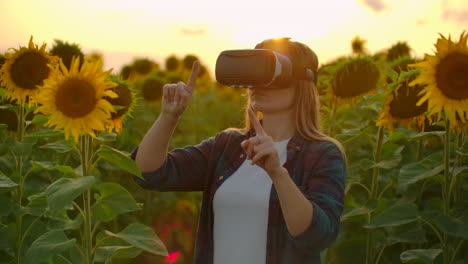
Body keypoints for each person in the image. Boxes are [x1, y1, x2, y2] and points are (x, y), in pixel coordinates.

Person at [131, 37, 347, 264]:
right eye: (252, 75)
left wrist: (277, 173)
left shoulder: (322, 154)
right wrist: (168, 116)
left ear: (301, 82)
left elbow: (318, 236)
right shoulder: (228, 146)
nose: (256, 85)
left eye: (269, 74)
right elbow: (148, 174)